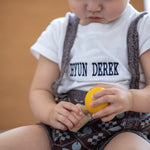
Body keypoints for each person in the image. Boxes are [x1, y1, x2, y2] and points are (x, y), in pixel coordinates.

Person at [0, 0, 150, 149]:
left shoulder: (142, 27)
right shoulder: (59, 30)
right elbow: (40, 90)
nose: (93, 7)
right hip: (63, 130)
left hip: (124, 131)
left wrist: (130, 99)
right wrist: (51, 112)